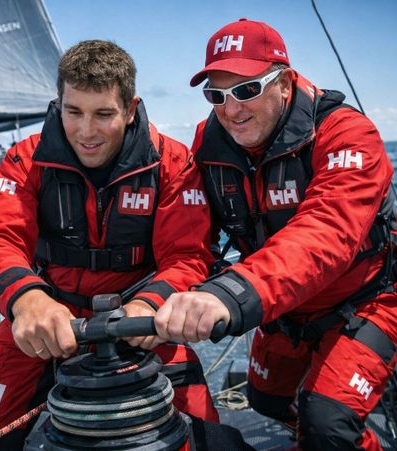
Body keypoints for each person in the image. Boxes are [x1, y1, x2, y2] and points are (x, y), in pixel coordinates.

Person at [0, 40, 218, 450]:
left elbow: (188, 255)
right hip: (47, 317)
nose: (86, 131)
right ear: (58, 105)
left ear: (130, 109)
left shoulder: (172, 163)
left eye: (104, 114)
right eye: (73, 112)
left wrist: (150, 304)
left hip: (141, 321)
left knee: (202, 434)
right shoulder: (24, 160)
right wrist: (27, 300)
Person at [154, 18, 397, 450]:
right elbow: (186, 230)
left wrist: (231, 294)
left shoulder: (346, 134)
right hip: (284, 312)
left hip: (366, 301)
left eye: (247, 90)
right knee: (265, 400)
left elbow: (326, 233)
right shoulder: (209, 145)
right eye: (216, 96)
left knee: (328, 426)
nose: (232, 110)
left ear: (283, 83)